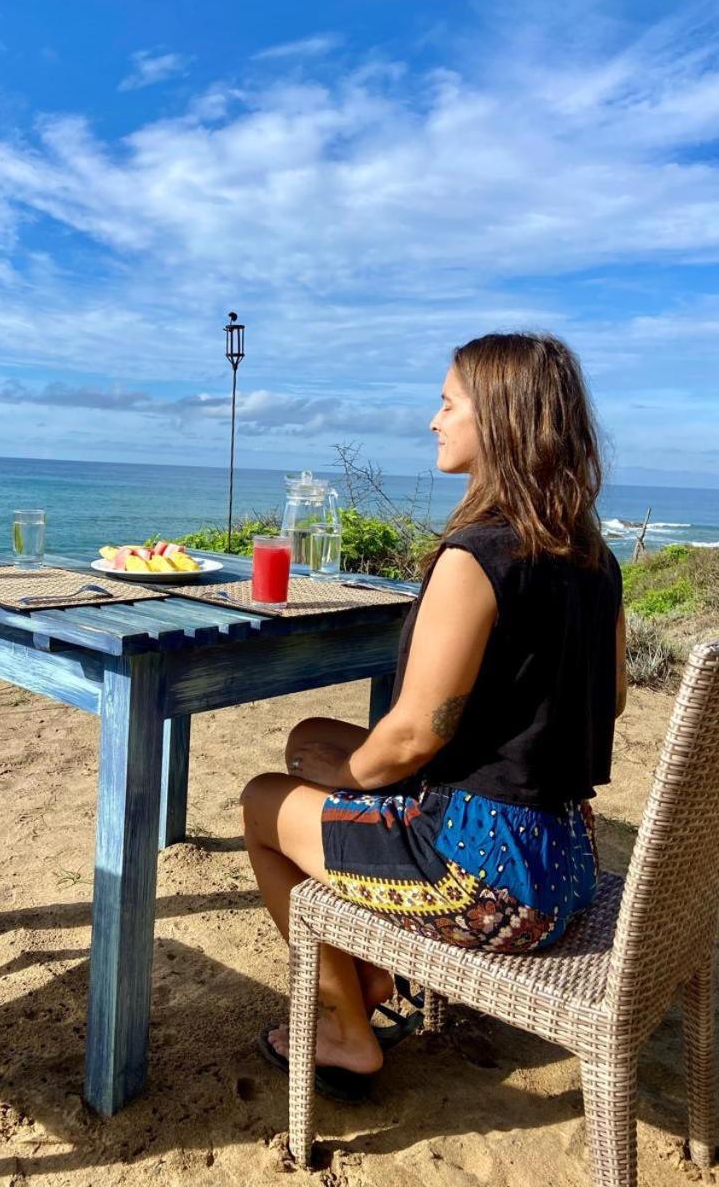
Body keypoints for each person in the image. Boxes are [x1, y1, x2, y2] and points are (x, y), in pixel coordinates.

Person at [242, 331, 626, 1101]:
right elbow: (609, 699)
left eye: (448, 403)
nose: (433, 420)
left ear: (501, 421)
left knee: (263, 801)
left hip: (487, 881)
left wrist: (353, 779)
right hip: (566, 860)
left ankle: (347, 1026)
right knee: (307, 741)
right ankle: (372, 971)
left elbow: (414, 736)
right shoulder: (589, 553)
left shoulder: (477, 555)